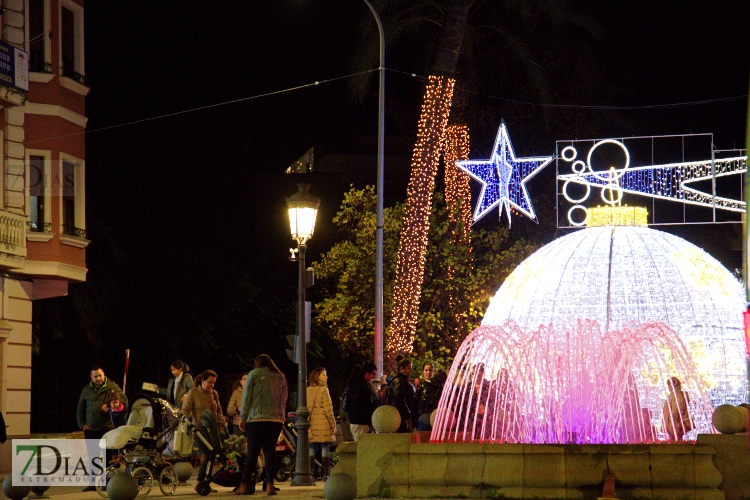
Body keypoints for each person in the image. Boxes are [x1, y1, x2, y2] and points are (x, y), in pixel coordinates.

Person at [237, 354, 288, 496]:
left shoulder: (253, 374)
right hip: (275, 419)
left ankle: (243, 485)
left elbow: (247, 397)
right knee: (270, 451)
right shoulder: (280, 376)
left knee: (252, 452)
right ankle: (270, 484)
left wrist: (243, 418)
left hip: (256, 418)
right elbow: (284, 397)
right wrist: (281, 416)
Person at [76, 367, 127, 491]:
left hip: (107, 429)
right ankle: (93, 484)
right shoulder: (86, 390)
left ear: (104, 375)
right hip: (91, 429)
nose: (98, 379)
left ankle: (108, 483)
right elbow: (80, 408)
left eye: (100, 375)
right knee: (93, 456)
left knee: (108, 458)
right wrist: (82, 423)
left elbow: (124, 402)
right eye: (95, 376)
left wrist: (112, 405)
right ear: (91, 377)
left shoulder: (112, 387)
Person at [182, 370, 225, 487]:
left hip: (214, 430)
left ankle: (206, 482)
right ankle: (200, 482)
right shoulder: (193, 393)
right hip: (200, 430)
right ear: (202, 380)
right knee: (208, 454)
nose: (212, 385)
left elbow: (219, 411)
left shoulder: (214, 393)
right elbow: (185, 410)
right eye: (209, 382)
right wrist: (186, 424)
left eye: (214, 383)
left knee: (213, 455)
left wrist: (222, 424)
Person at [307, 367, 337, 480]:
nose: (326, 377)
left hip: (312, 423)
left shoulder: (308, 390)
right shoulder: (324, 390)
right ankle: (325, 474)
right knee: (325, 449)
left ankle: (310, 473)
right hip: (323, 423)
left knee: (312, 448)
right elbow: (328, 409)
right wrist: (333, 425)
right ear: (317, 376)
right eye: (324, 374)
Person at [345, 361, 379, 441]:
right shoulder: (362, 386)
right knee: (360, 445)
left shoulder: (356, 383)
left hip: (358, 420)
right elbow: (360, 403)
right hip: (360, 421)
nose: (373, 376)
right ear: (367, 373)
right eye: (373, 373)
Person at [661, 377, 693, 441]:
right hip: (673, 422)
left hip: (675, 422)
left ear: (673, 384)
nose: (668, 387)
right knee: (674, 439)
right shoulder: (674, 394)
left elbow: (677, 408)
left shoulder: (676, 394)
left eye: (669, 385)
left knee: (675, 439)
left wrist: (673, 422)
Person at [413, 367, 444, 431]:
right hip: (436, 418)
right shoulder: (442, 390)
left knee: (422, 439)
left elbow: (415, 402)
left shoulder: (424, 385)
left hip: (423, 416)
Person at [390, 358, 416, 433]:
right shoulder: (400, 381)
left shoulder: (402, 380)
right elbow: (399, 399)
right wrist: (407, 417)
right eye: (409, 368)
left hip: (402, 415)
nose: (411, 371)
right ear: (402, 369)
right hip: (401, 417)